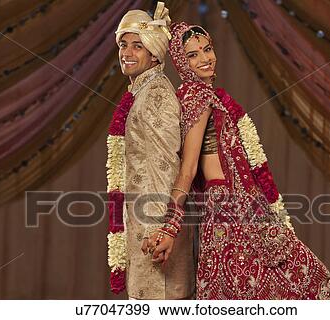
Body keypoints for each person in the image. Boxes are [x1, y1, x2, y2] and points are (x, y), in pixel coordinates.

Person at [148, 22, 330, 300]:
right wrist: (170, 227)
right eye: (193, 55)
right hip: (230, 209)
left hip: (241, 206)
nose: (205, 59)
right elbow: (188, 169)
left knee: (254, 291)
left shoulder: (205, 96)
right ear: (180, 62)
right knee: (297, 283)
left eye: (207, 49)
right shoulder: (197, 97)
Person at [106, 5, 195, 300]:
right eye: (123, 44)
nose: (127, 52)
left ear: (155, 53)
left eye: (137, 46)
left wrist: (161, 230)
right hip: (145, 228)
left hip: (154, 233)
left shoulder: (155, 93)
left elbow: (166, 164)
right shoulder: (141, 92)